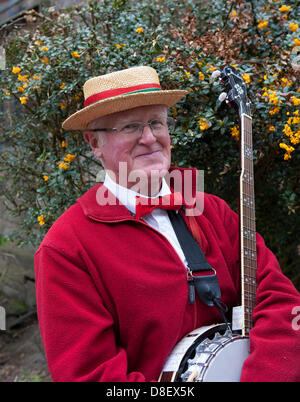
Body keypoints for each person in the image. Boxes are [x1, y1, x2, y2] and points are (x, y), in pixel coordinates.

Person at [34, 66, 300, 382]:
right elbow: (90, 374)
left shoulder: (212, 211)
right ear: (94, 143)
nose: (149, 138)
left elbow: (282, 304)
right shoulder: (65, 249)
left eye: (156, 123)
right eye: (131, 127)